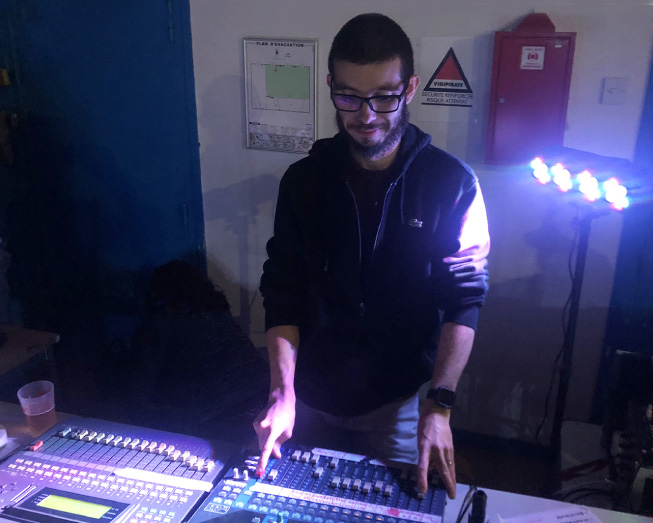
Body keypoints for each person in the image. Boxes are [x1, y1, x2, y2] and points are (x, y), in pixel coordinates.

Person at [254, 13, 490, 500]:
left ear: (410, 88)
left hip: (396, 406)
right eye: (349, 96)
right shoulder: (302, 182)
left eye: (384, 96)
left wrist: (439, 406)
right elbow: (282, 293)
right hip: (306, 398)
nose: (366, 115)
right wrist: (281, 392)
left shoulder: (452, 183)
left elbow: (464, 301)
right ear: (331, 87)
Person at [130, 260, 269, 440]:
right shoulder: (217, 309)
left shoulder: (167, 319)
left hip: (223, 412)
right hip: (263, 396)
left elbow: (145, 378)